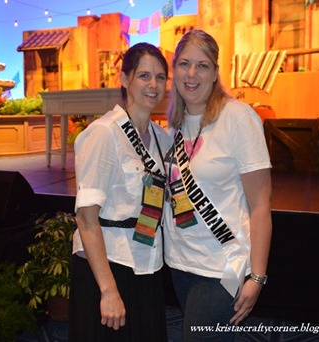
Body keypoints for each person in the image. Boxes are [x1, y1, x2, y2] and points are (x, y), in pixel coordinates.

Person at [163, 30, 273, 341]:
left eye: (203, 65)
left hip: (222, 266)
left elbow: (261, 204)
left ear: (215, 73)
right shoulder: (175, 124)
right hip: (181, 262)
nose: (192, 74)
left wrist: (257, 276)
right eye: (184, 64)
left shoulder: (238, 118)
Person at [69, 42, 170, 342]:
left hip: (148, 264)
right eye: (144, 76)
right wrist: (108, 290)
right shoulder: (104, 134)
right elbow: (86, 219)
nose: (153, 84)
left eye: (161, 77)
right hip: (108, 268)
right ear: (125, 80)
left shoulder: (161, 139)